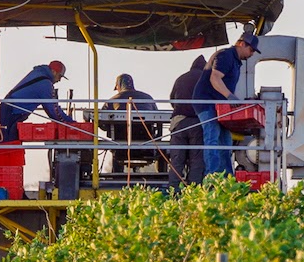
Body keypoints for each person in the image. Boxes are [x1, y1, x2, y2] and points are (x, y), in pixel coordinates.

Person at [192, 32, 260, 176]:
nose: (252, 53)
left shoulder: (234, 60)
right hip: (207, 102)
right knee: (213, 137)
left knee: (225, 140)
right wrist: (230, 97)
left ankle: (226, 176)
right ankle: (212, 176)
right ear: (242, 44)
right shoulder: (225, 56)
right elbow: (215, 78)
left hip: (218, 105)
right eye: (251, 50)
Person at [0, 60, 71, 143]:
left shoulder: (38, 74)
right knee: (7, 147)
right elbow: (54, 111)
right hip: (10, 114)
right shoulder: (45, 84)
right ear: (53, 72)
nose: (59, 80)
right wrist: (71, 124)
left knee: (5, 146)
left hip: (6, 111)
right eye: (59, 76)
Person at [104, 74, 160, 171]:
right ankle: (161, 176)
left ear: (119, 85)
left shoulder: (112, 101)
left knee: (116, 144)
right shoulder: (148, 98)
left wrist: (110, 129)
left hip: (121, 147)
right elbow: (158, 118)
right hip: (147, 145)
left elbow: (102, 123)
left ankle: (117, 177)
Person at [167, 55, 207, 190]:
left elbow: (172, 99)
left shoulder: (181, 78)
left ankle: (174, 190)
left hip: (179, 123)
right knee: (197, 160)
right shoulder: (206, 78)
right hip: (197, 123)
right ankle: (193, 191)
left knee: (177, 160)